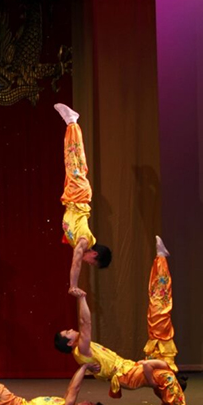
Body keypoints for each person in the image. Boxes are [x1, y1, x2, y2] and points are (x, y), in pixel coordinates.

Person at [54, 289, 200, 405]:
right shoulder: (82, 349)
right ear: (69, 343)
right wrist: (81, 299)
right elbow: (85, 323)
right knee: (164, 376)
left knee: (161, 369)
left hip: (127, 368)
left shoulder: (81, 350)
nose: (72, 329)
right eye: (68, 332)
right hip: (125, 374)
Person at [54, 103, 111, 298]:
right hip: (78, 195)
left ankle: (71, 123)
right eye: (92, 262)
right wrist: (73, 285)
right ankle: (72, 122)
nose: (87, 262)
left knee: (71, 158)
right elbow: (76, 261)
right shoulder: (84, 241)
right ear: (94, 254)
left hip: (72, 196)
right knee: (74, 157)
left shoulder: (80, 242)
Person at [144, 236, 180, 372]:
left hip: (155, 336)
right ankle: (161, 257)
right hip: (161, 334)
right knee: (159, 298)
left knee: (154, 295)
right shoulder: (166, 366)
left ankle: (160, 257)